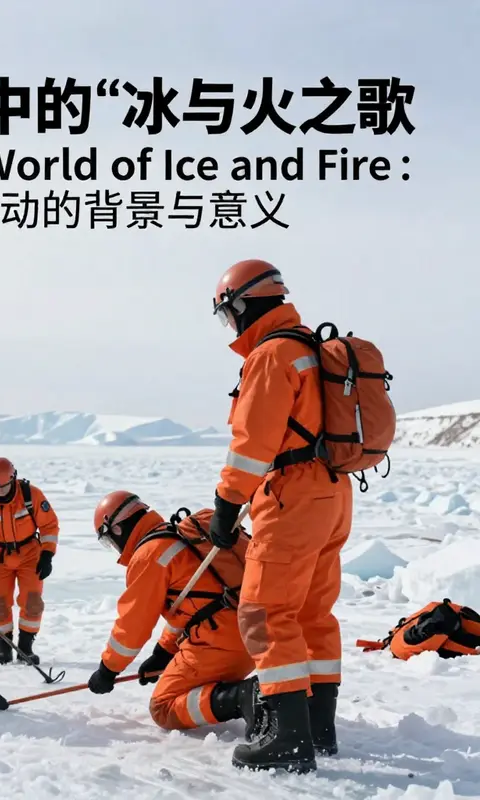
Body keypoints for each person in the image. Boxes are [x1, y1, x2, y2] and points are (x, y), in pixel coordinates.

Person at [209, 259, 353, 773]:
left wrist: (227, 505)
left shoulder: (272, 355)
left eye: (229, 315)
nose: (232, 327)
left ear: (244, 304)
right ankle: (319, 726)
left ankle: (286, 738)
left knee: (266, 612)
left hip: (291, 497)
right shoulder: (311, 349)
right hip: (333, 495)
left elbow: (253, 443)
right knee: (313, 612)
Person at [86, 491, 261, 737]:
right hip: (259, 634)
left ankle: (246, 696)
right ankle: (254, 695)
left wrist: (108, 670)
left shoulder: (149, 555)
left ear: (117, 529)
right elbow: (193, 604)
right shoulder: (184, 537)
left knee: (163, 707)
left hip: (225, 643)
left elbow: (132, 625)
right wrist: (163, 652)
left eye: (109, 541)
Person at [0, 457, 60, 665]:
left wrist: (47, 554)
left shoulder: (31, 495)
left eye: (4, 486)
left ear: (13, 479)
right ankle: (3, 648)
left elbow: (49, 525)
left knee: (32, 602)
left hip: (30, 555)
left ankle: (25, 648)